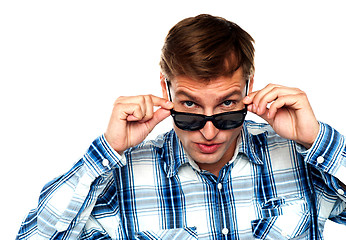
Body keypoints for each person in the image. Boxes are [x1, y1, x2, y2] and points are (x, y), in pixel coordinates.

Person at [17, 14, 345, 240]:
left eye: (227, 107)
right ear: (166, 89)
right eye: (189, 108)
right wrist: (107, 150)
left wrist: (316, 138)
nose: (209, 131)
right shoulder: (121, 177)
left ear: (248, 87)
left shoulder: (303, 158)